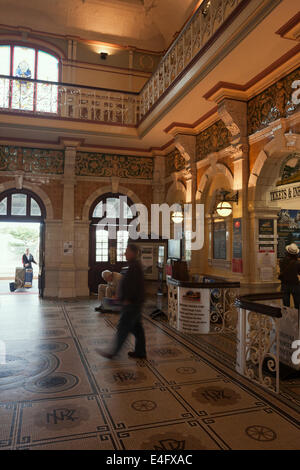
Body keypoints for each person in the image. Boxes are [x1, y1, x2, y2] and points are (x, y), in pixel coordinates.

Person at [96, 244, 146, 359]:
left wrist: (128, 299)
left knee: (123, 328)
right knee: (138, 329)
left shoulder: (135, 267)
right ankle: (140, 352)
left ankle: (113, 352)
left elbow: (135, 286)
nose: (125, 253)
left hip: (132, 303)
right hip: (134, 303)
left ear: (133, 253)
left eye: (127, 251)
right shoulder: (133, 265)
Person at [279, 243, 300, 309]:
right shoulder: (298, 263)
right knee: (297, 305)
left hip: (284, 285)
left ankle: (287, 319)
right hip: (295, 285)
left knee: (286, 306)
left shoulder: (282, 261)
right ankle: (297, 318)